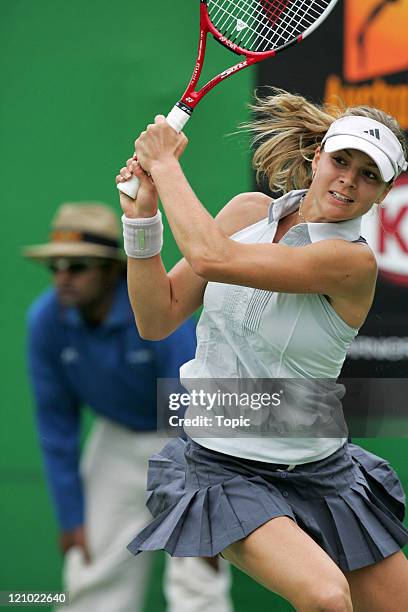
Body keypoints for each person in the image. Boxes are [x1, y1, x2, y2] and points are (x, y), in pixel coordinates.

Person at [116, 89, 408, 612]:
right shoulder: (248, 212)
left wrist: (163, 161)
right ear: (317, 157)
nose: (348, 179)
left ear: (384, 193)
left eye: (369, 174)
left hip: (324, 471)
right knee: (324, 597)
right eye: (341, 160)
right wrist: (142, 220)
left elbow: (210, 256)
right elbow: (157, 317)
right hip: (223, 465)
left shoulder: (350, 262)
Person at [24, 202, 233, 612]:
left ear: (110, 270)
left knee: (198, 575)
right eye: (56, 266)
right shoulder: (45, 320)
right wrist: (71, 518)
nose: (63, 277)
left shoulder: (152, 304)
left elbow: (190, 404)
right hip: (114, 441)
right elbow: (56, 426)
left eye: (77, 265)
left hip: (186, 441)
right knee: (92, 570)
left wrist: (202, 496)